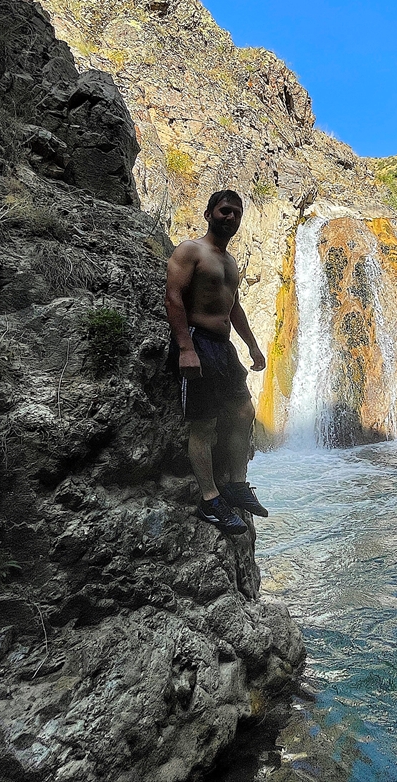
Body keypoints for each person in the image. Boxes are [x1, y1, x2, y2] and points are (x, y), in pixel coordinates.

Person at [165, 190, 269, 535]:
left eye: (236, 214)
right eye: (225, 211)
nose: (230, 218)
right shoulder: (190, 250)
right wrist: (185, 348)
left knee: (243, 412)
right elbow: (173, 298)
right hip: (197, 341)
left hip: (224, 349)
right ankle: (210, 500)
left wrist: (253, 347)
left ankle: (237, 485)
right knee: (204, 425)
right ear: (209, 213)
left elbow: (234, 308)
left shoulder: (230, 263)